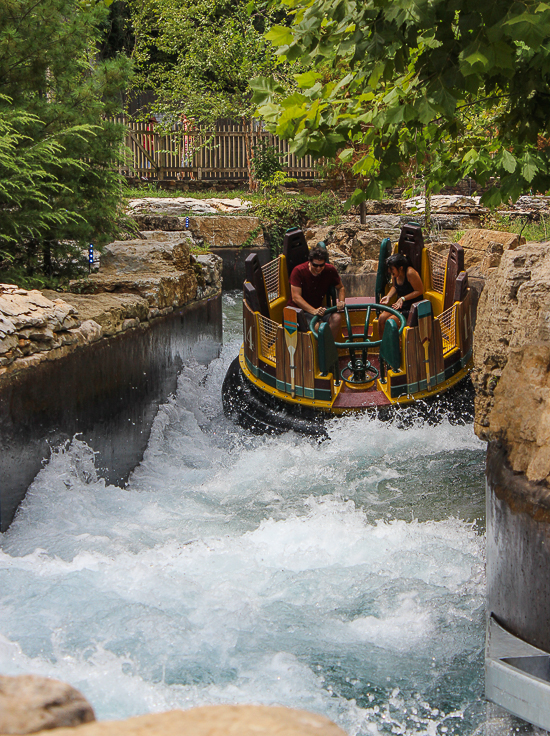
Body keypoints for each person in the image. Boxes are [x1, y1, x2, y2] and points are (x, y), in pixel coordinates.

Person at [288, 245, 345, 339]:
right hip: (299, 311)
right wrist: (314, 311)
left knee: (336, 318)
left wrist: (341, 301)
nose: (318, 268)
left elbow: (341, 287)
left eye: (321, 265)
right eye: (315, 265)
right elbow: (296, 297)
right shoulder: (298, 271)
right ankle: (320, 351)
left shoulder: (329, 270)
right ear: (309, 262)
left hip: (318, 308)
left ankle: (329, 347)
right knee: (318, 327)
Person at [378, 253, 424, 337]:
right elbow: (395, 287)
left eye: (392, 269)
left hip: (412, 308)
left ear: (401, 268)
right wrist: (388, 296)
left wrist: (403, 298)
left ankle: (396, 349)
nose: (390, 271)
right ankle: (383, 347)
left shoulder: (410, 273)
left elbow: (420, 291)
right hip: (400, 305)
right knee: (381, 318)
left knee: (391, 321)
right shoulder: (395, 274)